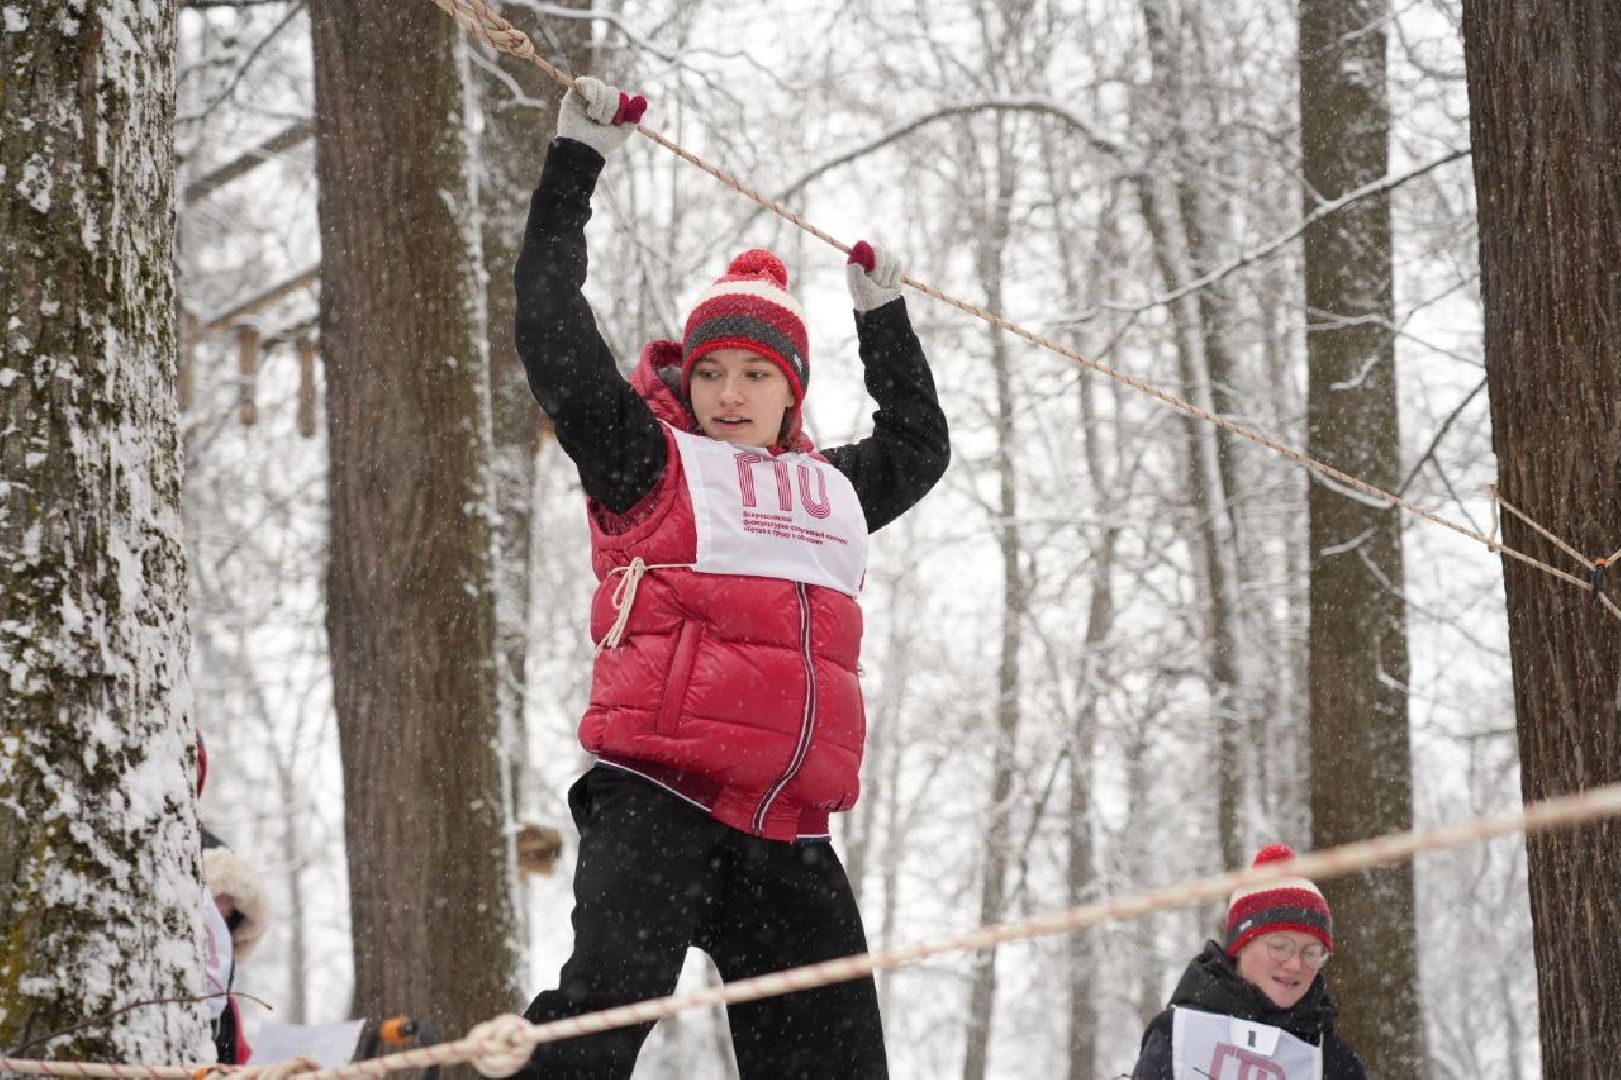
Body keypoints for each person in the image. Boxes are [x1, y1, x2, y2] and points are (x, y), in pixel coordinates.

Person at [511, 76, 950, 1080]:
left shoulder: (832, 490)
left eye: (755, 374)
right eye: (710, 371)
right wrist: (575, 162)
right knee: (595, 1029)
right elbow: (550, 328)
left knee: (837, 1064)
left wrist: (881, 317)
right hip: (656, 800)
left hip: (787, 830)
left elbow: (919, 445)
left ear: (791, 389)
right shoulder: (649, 462)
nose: (728, 393)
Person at [1131, 844, 1369, 1080]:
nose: (1295, 965)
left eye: (1311, 952)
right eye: (1279, 947)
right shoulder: (1178, 1035)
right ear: (1241, 945)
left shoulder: (1334, 1062)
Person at [194, 733, 272, 1065]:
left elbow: (240, 1059)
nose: (222, 915)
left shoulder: (225, 1008)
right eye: (213, 908)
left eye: (228, 917)